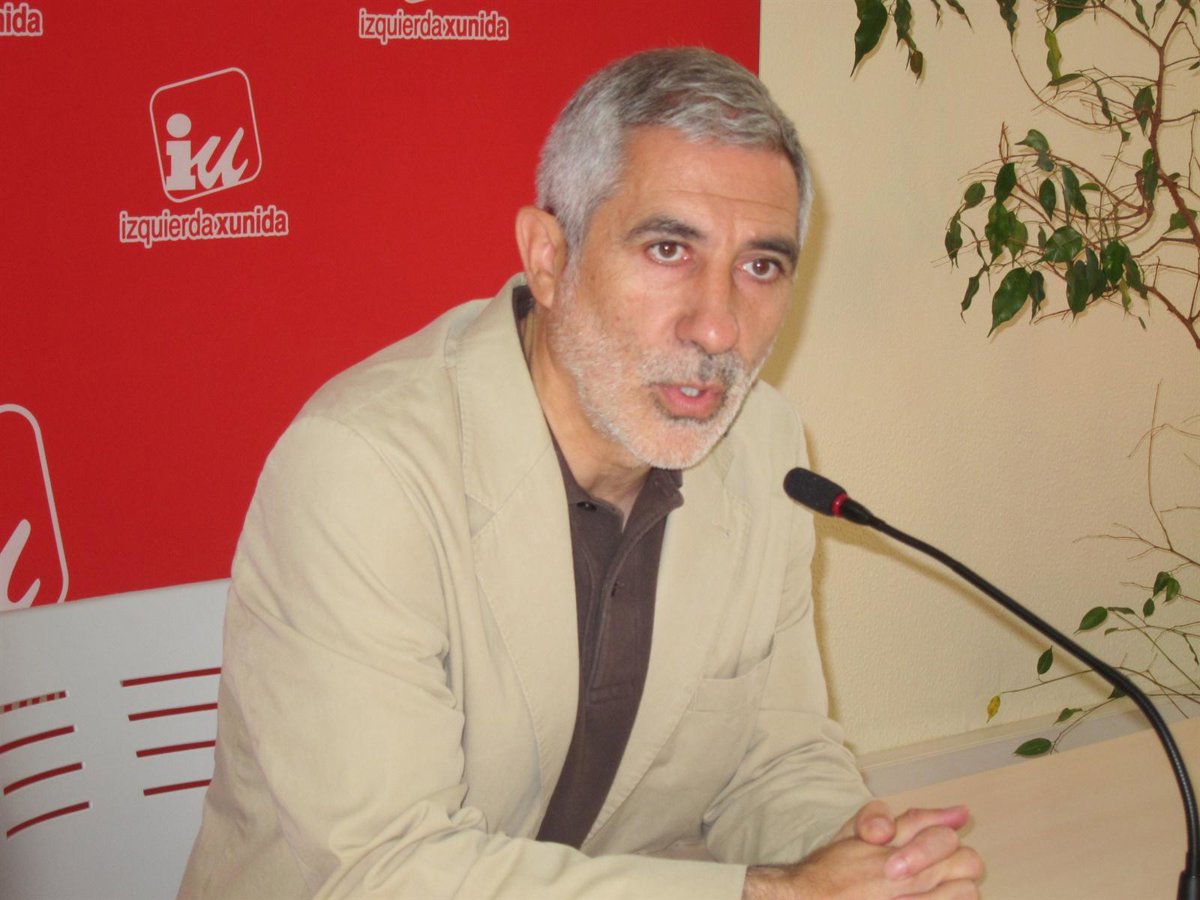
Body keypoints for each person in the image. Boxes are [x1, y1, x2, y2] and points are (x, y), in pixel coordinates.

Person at [180, 47, 982, 899]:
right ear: (549, 258)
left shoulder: (765, 448)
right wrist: (777, 895)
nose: (718, 327)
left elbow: (774, 759)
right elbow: (385, 870)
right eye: (669, 249)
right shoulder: (364, 466)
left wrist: (874, 863)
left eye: (760, 266)